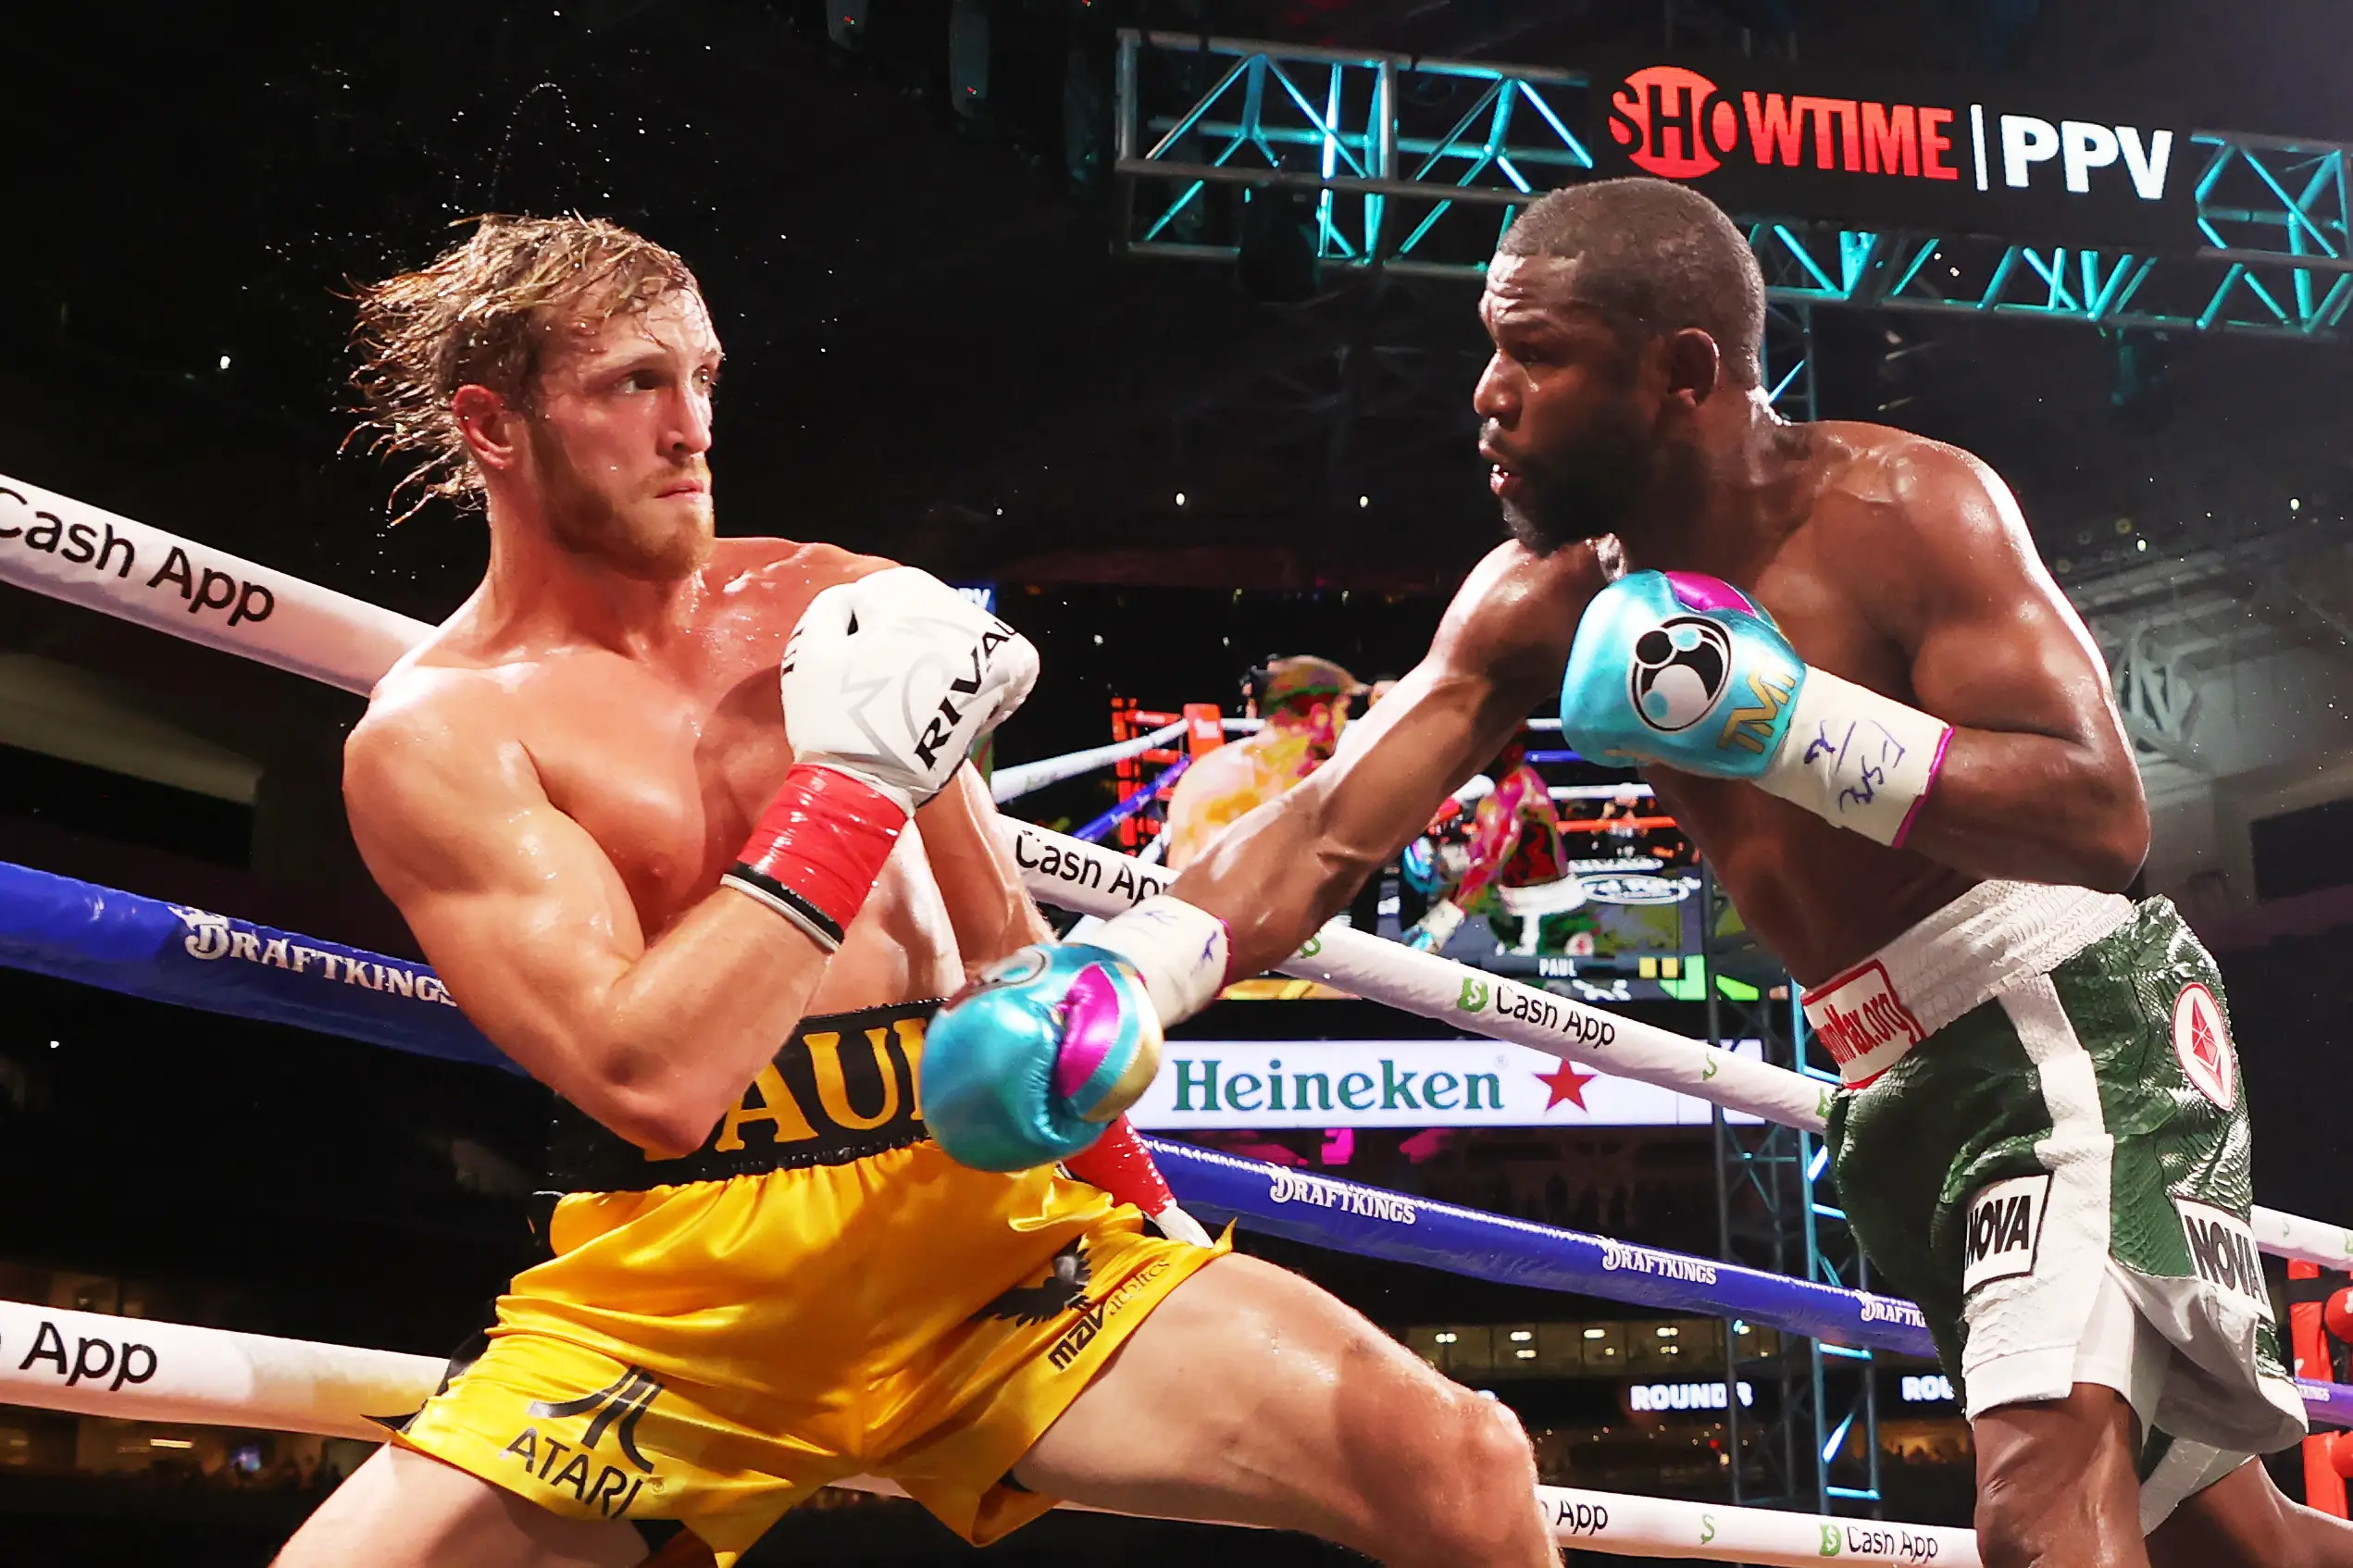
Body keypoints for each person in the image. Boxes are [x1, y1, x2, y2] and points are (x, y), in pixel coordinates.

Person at [916, 178, 2353, 1568]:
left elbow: (2102, 817)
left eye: (1533, 354)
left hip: (2059, 1017)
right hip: (1894, 1082)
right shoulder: (1541, 598)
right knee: (2226, 1539)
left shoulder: (1906, 511)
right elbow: (1334, 825)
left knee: (2035, 1513)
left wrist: (1792, 723)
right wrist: (1129, 968)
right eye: (1490, 348)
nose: (1486, 392)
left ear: (1681, 371)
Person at [275, 216, 1550, 1568]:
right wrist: (850, 782)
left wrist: (1133, 1188)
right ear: (493, 425)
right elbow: (647, 1074)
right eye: (634, 383)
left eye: (703, 376)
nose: (693, 426)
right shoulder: (440, 738)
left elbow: (1007, 960)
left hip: (982, 1231)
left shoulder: (842, 603)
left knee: (1457, 1457)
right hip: (687, 1292)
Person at [1160, 654, 1360, 869]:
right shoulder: (1230, 780)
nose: (1344, 722)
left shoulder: (1283, 769)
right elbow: (1213, 883)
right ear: (1320, 715)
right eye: (1343, 711)